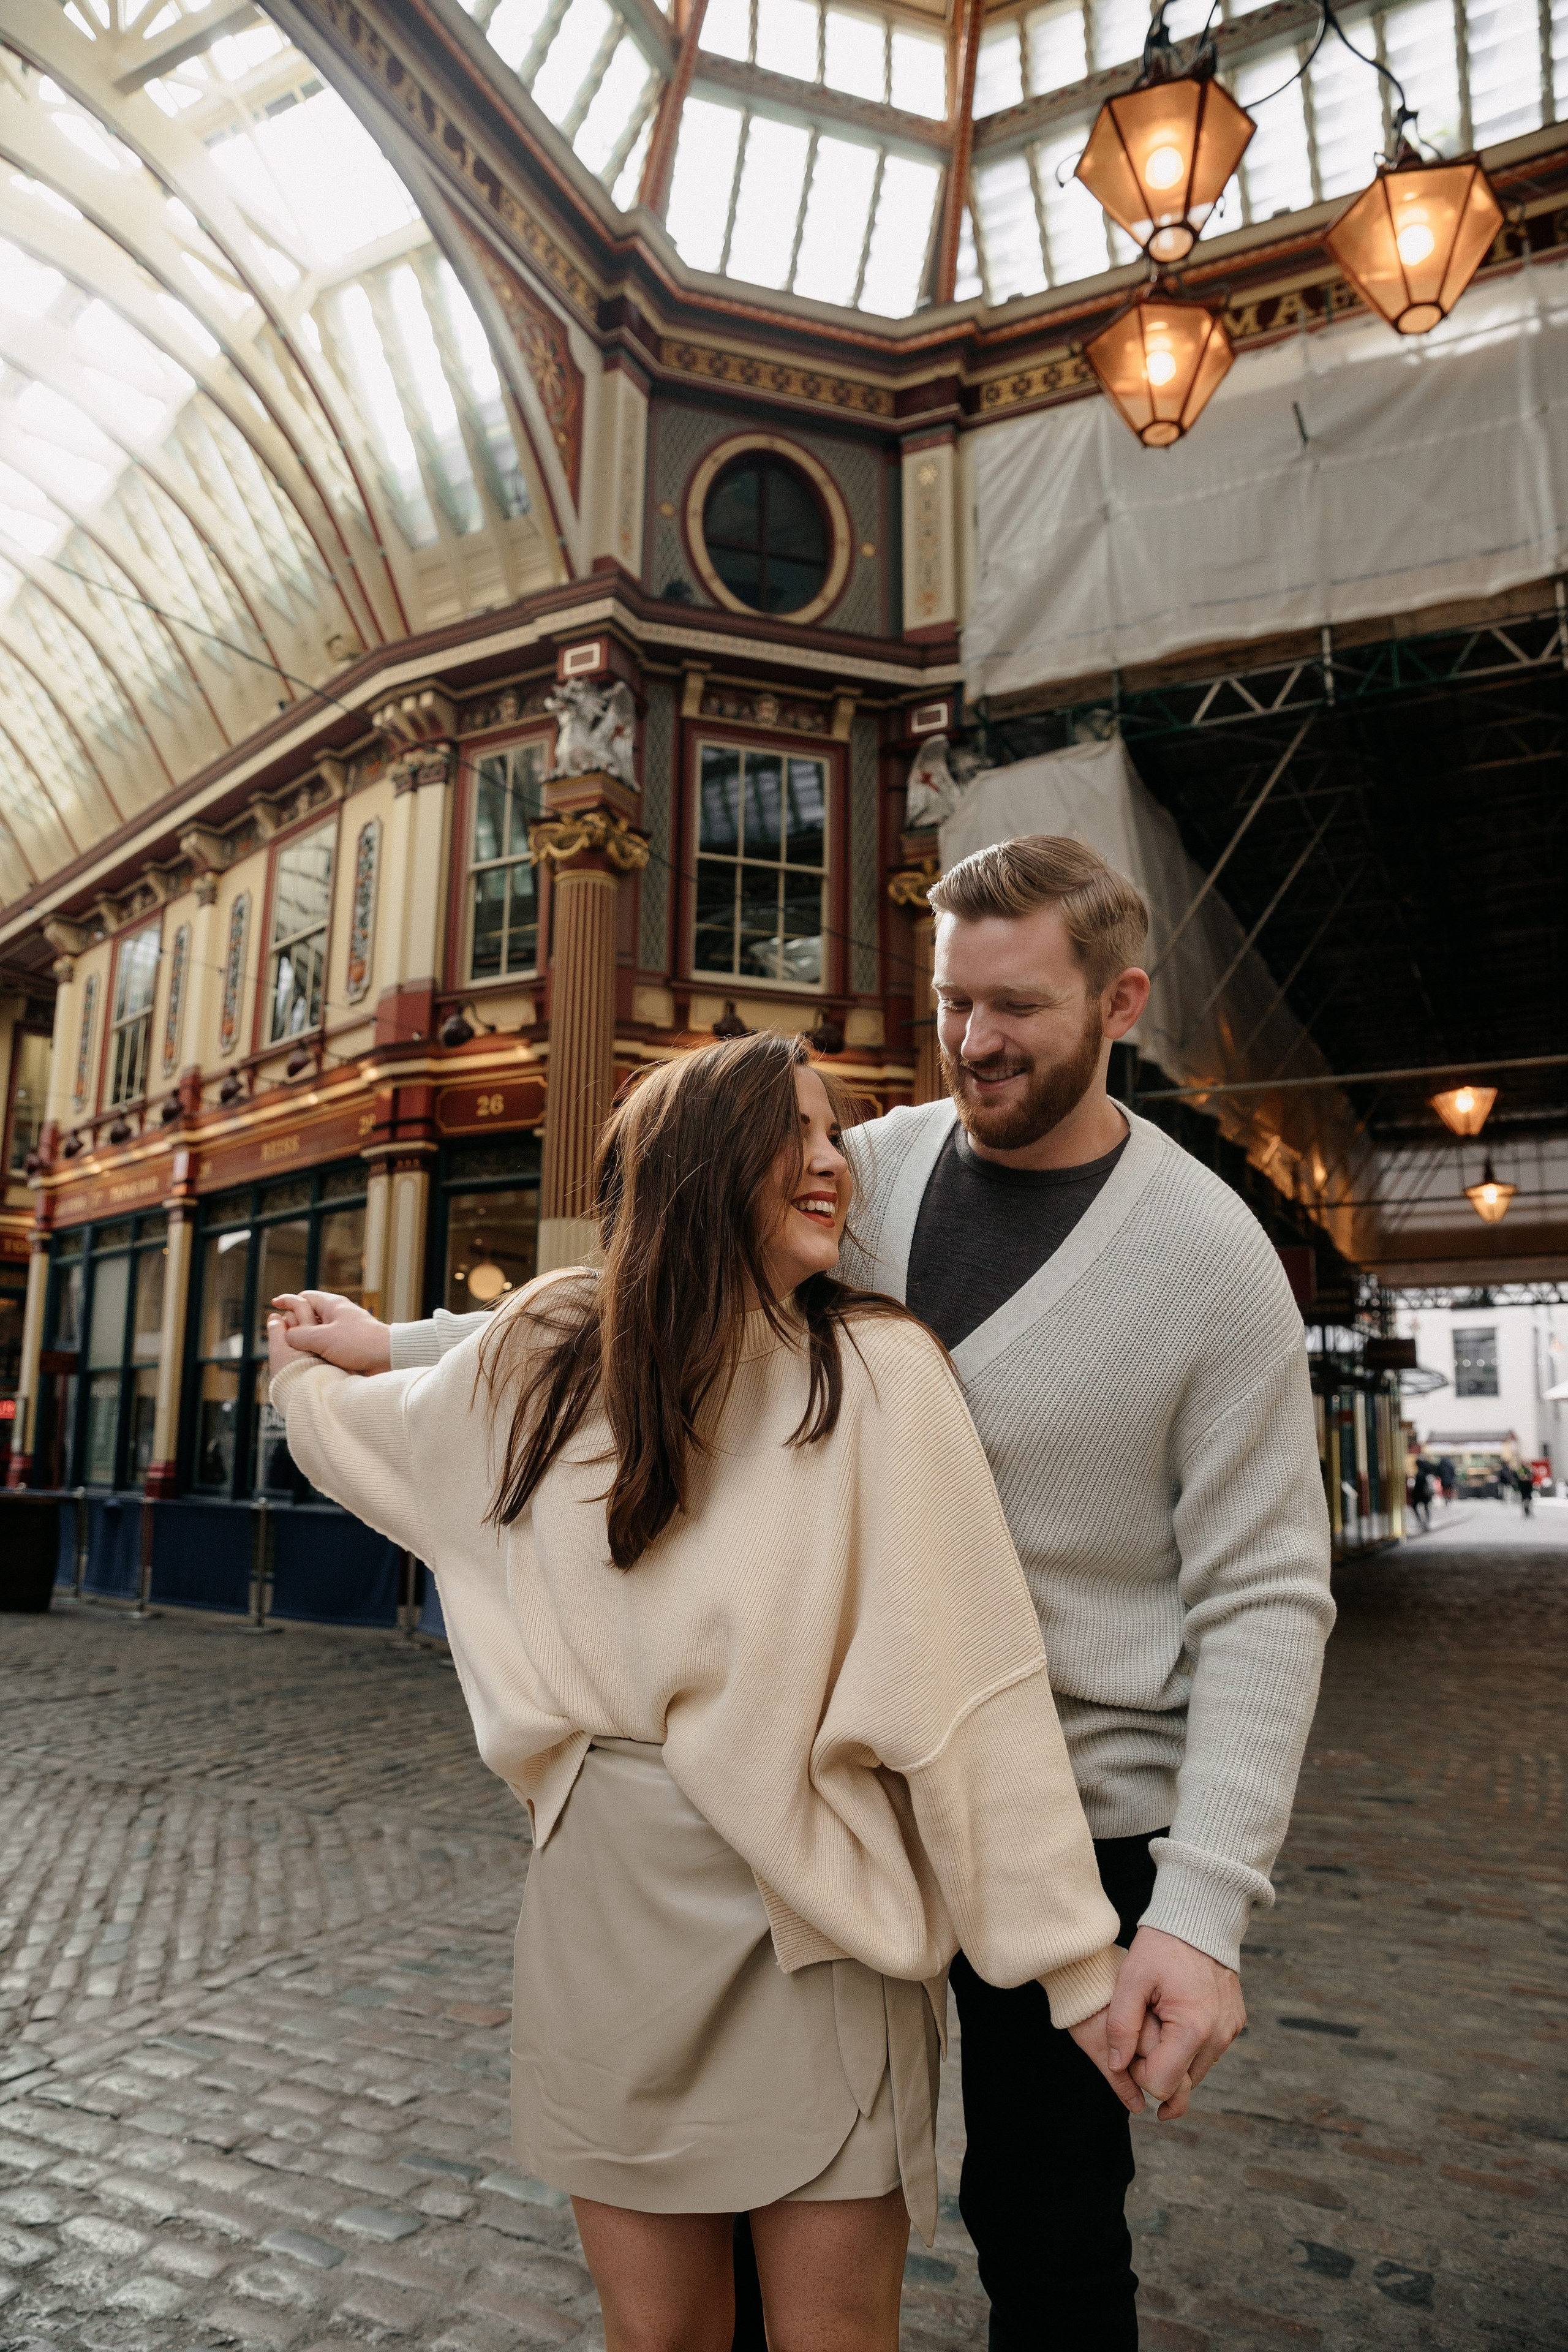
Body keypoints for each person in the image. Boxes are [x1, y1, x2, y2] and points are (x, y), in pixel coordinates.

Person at [282, 834, 1335, 2351]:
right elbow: (647, 1296)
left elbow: (1265, 1595)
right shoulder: (872, 1164)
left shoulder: (1207, 1259)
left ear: (1121, 1000)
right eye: (950, 1000)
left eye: (1016, 1006)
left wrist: (1202, 1906)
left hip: (1073, 1809)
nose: (972, 1040)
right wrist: (402, 1346)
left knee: (1047, 2235)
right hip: (831, 1808)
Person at [268, 1033, 1139, 2352]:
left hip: (811, 1914)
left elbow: (969, 1694)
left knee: (832, 2336)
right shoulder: (546, 1356)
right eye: (785, 1133)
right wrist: (302, 1368)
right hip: (604, 1908)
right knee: (656, 2338)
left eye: (832, 1133)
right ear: (694, 1166)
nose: (825, 1162)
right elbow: (373, 1438)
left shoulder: (879, 1374)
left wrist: (1075, 1969)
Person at [1409, 1456, 1434, 1532]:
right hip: (1426, 1494)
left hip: (1420, 1494)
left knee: (1415, 1506)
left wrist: (1413, 1493)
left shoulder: (1420, 1473)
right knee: (1426, 1507)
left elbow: (1418, 1485)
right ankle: (1427, 1521)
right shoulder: (1427, 1471)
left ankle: (1421, 1521)